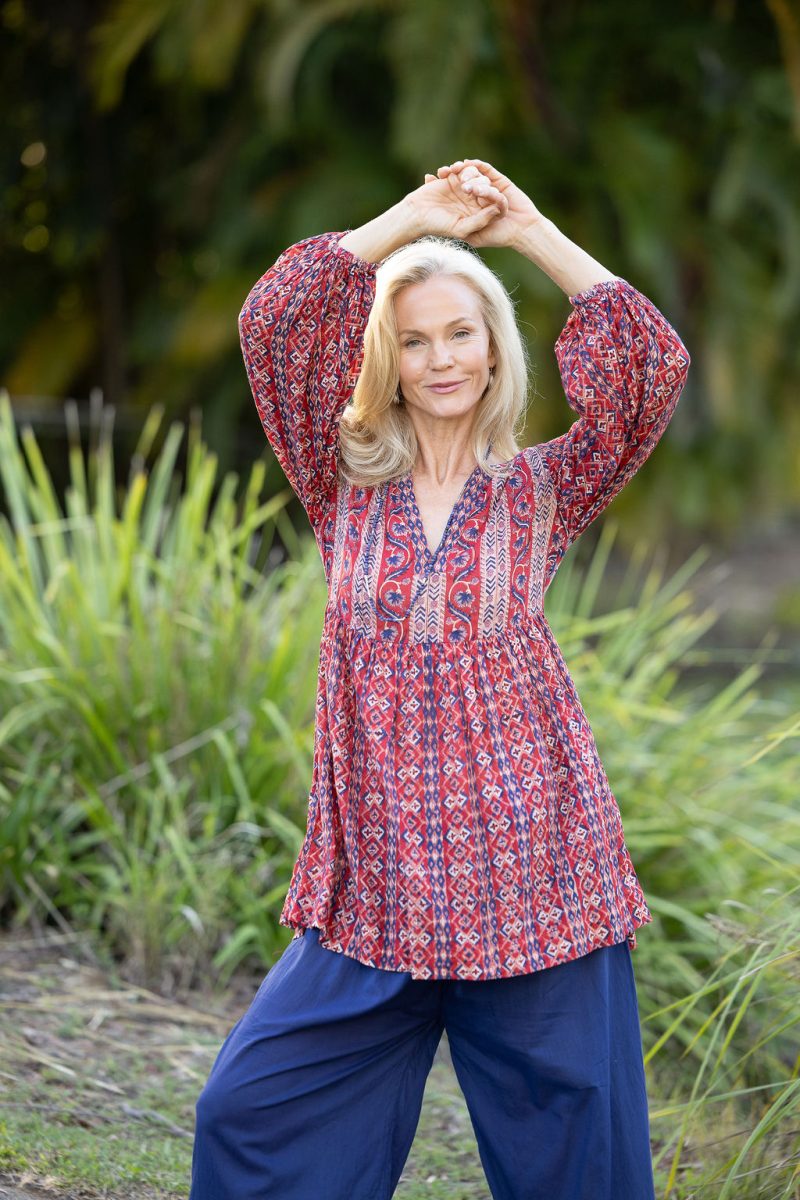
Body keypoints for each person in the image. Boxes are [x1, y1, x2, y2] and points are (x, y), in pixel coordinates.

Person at [189, 158, 691, 1200]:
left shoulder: (549, 482)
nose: (439, 358)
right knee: (252, 1110)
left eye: (459, 332)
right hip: (375, 890)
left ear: (494, 346)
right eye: (411, 340)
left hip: (534, 879)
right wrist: (412, 222)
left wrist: (529, 230)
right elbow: (275, 323)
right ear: (387, 359)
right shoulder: (337, 476)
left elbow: (648, 364)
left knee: (577, 1162)